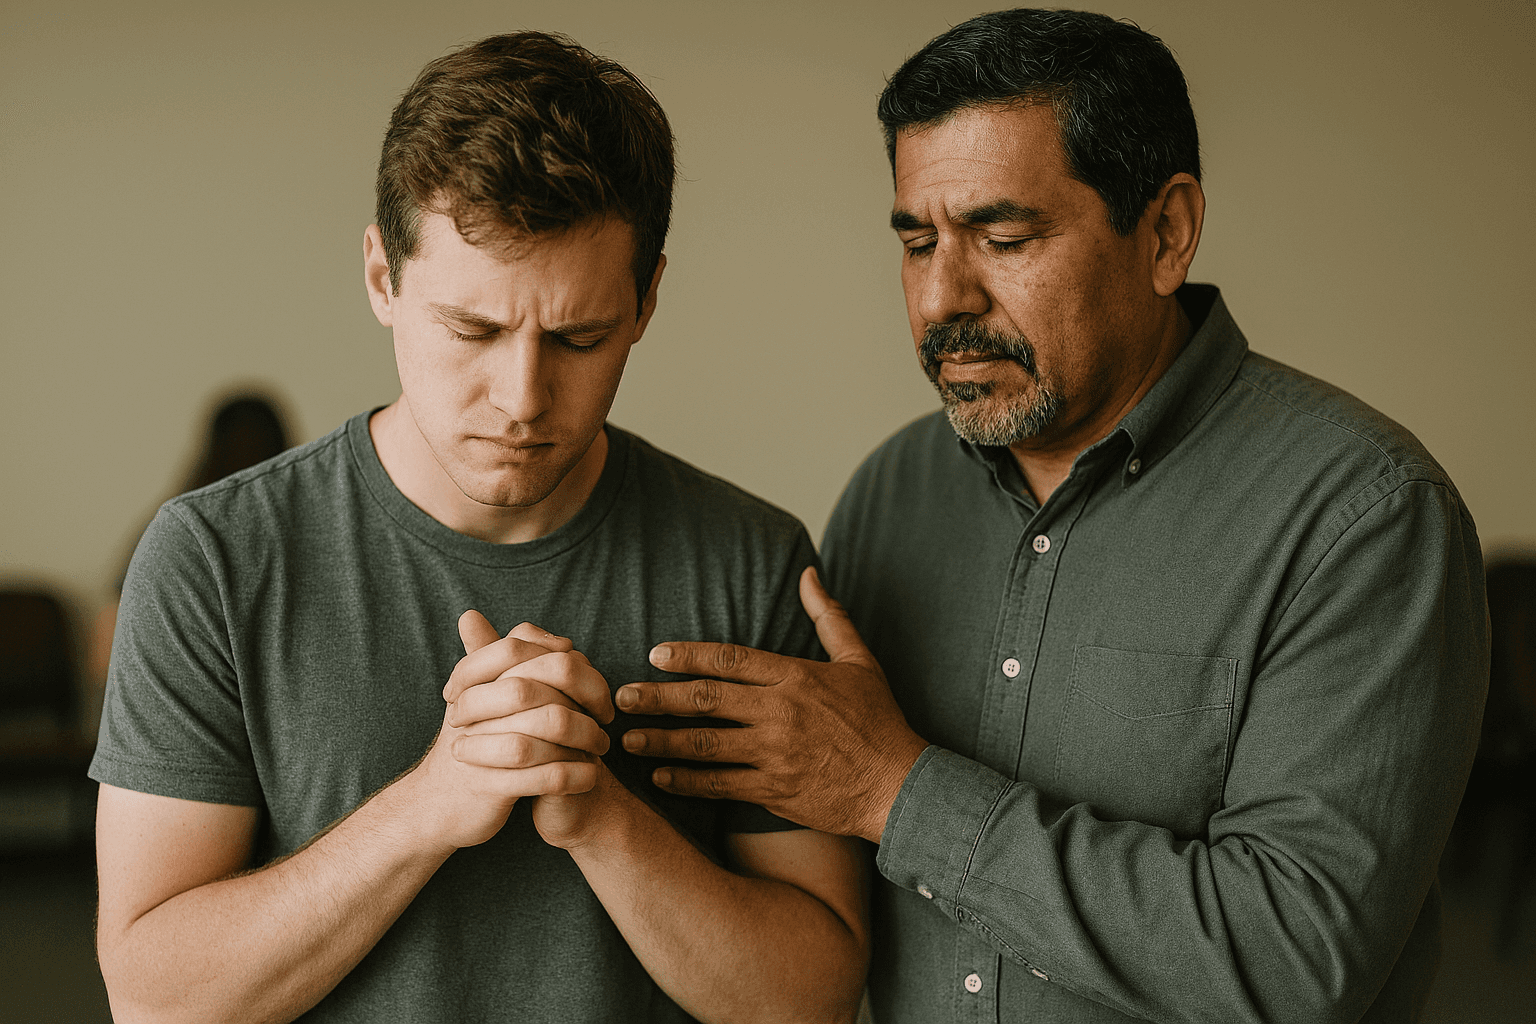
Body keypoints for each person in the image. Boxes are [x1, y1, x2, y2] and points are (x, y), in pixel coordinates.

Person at [613, 9, 1489, 1023]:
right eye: (915, 241)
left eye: (1004, 236)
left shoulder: (1365, 518)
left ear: (1166, 233)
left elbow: (1293, 963)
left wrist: (899, 793)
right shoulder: (891, 495)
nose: (945, 296)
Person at [89, 32, 867, 1024]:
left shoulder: (749, 562)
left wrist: (599, 817)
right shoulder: (214, 559)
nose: (523, 396)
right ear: (382, 277)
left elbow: (810, 1001)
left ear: (646, 302)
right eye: (473, 329)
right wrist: (430, 802)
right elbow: (157, 1004)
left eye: (578, 337)